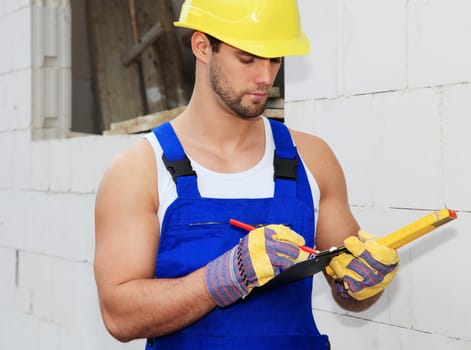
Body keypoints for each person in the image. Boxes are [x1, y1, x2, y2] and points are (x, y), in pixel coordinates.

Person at [94, 0, 400, 349]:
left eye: (274, 59)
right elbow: (119, 317)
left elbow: (349, 293)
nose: (265, 77)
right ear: (202, 46)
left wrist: (366, 284)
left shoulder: (312, 159)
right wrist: (222, 279)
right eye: (248, 58)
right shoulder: (139, 170)